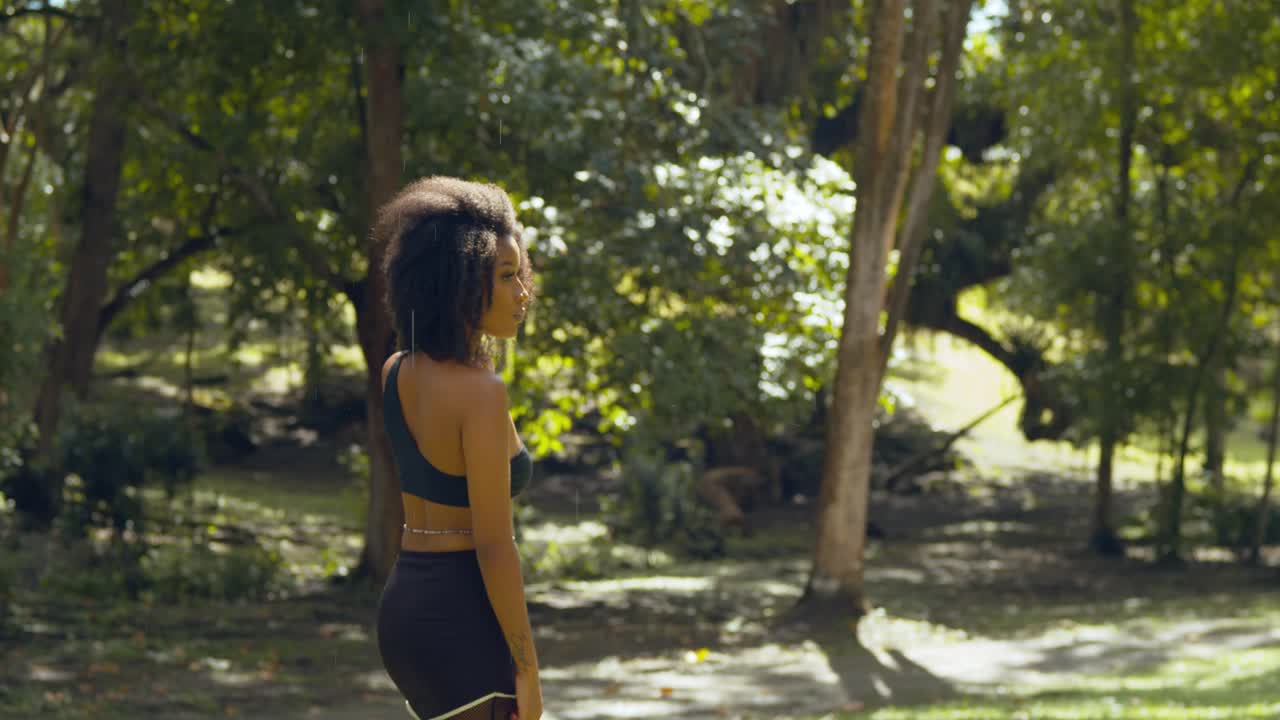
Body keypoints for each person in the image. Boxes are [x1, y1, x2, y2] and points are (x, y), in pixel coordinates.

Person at [374, 176, 542, 720]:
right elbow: (495, 544)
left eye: (523, 274)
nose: (523, 295)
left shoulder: (398, 371)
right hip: (460, 618)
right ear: (460, 283)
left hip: (405, 612)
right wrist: (528, 672)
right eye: (506, 277)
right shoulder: (481, 394)